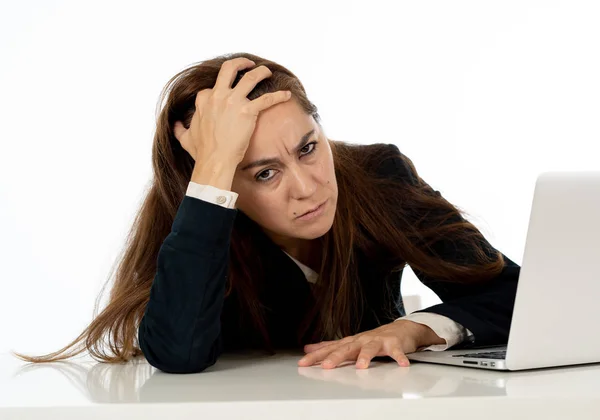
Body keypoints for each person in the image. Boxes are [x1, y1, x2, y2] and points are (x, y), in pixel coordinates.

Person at [12, 53, 520, 374]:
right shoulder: (196, 215)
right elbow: (178, 353)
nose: (307, 187)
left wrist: (416, 328)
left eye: (308, 148)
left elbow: (516, 293)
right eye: (262, 173)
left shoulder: (379, 174)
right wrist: (211, 175)